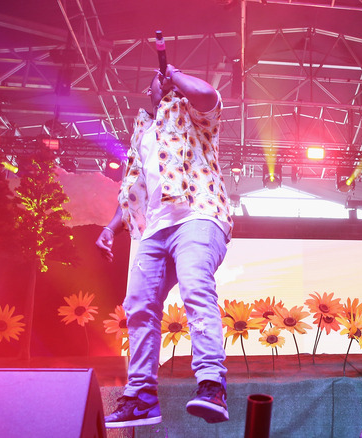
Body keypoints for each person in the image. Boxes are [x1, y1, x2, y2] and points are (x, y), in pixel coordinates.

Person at [95, 64, 233, 427]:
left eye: (171, 81)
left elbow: (207, 95)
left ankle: (211, 384)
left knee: (194, 286)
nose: (166, 83)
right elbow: (134, 188)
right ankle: (141, 396)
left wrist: (176, 73)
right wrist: (111, 228)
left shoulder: (193, 114)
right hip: (155, 228)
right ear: (151, 91)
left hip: (199, 215)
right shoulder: (143, 129)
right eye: (161, 80)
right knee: (138, 305)